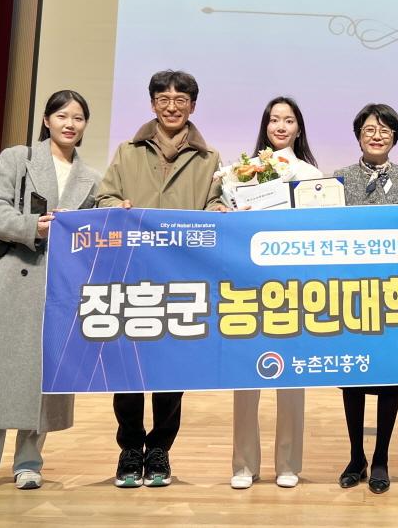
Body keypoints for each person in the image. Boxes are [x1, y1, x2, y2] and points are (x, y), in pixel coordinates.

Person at [0, 90, 101, 497]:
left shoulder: (91, 178)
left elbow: (95, 230)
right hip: (15, 277)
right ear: (47, 120)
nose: (70, 124)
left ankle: (29, 463)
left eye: (79, 118)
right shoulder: (18, 158)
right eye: (62, 115)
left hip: (61, 285)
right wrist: (34, 227)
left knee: (44, 377)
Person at [96, 70, 227, 488]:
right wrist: (118, 205)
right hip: (131, 275)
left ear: (193, 105)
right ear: (153, 104)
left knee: (172, 370)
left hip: (181, 278)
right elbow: (104, 196)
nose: (172, 107)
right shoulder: (127, 151)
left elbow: (216, 204)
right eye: (164, 99)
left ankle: (159, 451)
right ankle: (129, 449)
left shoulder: (210, 159)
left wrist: (218, 211)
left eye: (180, 99)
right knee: (128, 369)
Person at [333, 103, 398, 494]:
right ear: (358, 135)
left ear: (395, 138)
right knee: (353, 377)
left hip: (395, 292)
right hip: (351, 293)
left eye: (385, 130)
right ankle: (356, 456)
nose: (377, 135)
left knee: (390, 376)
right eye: (369, 129)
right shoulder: (338, 179)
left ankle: (382, 457)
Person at [231, 96, 321, 490]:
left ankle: (288, 463)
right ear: (265, 126)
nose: (280, 126)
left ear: (299, 128)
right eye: (274, 120)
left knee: (291, 378)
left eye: (288, 120)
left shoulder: (311, 174)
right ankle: (243, 465)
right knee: (244, 377)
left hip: (293, 287)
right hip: (248, 285)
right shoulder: (242, 172)